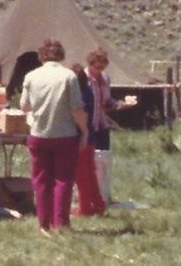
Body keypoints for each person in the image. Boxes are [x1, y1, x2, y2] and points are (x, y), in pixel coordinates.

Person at [20, 38, 89, 231]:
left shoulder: (31, 76)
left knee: (41, 180)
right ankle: (61, 223)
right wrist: (84, 130)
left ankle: (44, 223)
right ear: (61, 55)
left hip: (39, 134)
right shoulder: (69, 77)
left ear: (41, 55)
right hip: (64, 134)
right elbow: (76, 108)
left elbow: (24, 106)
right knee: (63, 180)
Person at [86, 48, 120, 206]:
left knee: (104, 162)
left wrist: (119, 105)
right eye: (97, 67)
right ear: (90, 64)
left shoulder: (105, 79)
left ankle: (104, 194)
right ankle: (88, 195)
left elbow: (106, 102)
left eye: (102, 67)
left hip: (102, 124)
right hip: (88, 125)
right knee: (88, 163)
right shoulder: (84, 79)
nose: (99, 70)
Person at [71, 64, 106, 217]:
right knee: (90, 174)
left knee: (81, 176)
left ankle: (84, 207)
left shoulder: (79, 96)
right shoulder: (89, 91)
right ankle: (98, 204)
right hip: (91, 137)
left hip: (81, 138)